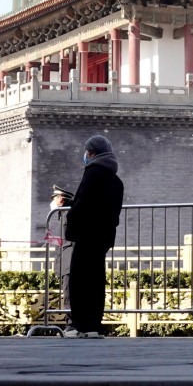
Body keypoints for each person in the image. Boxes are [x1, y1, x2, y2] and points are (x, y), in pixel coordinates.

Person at [64, 135, 124, 339]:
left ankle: (81, 324)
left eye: (87, 153)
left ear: (91, 153)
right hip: (103, 237)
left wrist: (70, 217)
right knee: (96, 280)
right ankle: (94, 324)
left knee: (80, 280)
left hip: (87, 235)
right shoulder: (115, 179)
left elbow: (83, 204)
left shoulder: (92, 173)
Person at [49, 185, 75, 332]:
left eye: (54, 198)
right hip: (66, 259)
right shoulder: (62, 214)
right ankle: (71, 323)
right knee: (69, 293)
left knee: (69, 294)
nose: (53, 201)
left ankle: (71, 325)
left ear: (61, 199)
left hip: (69, 260)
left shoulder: (67, 213)